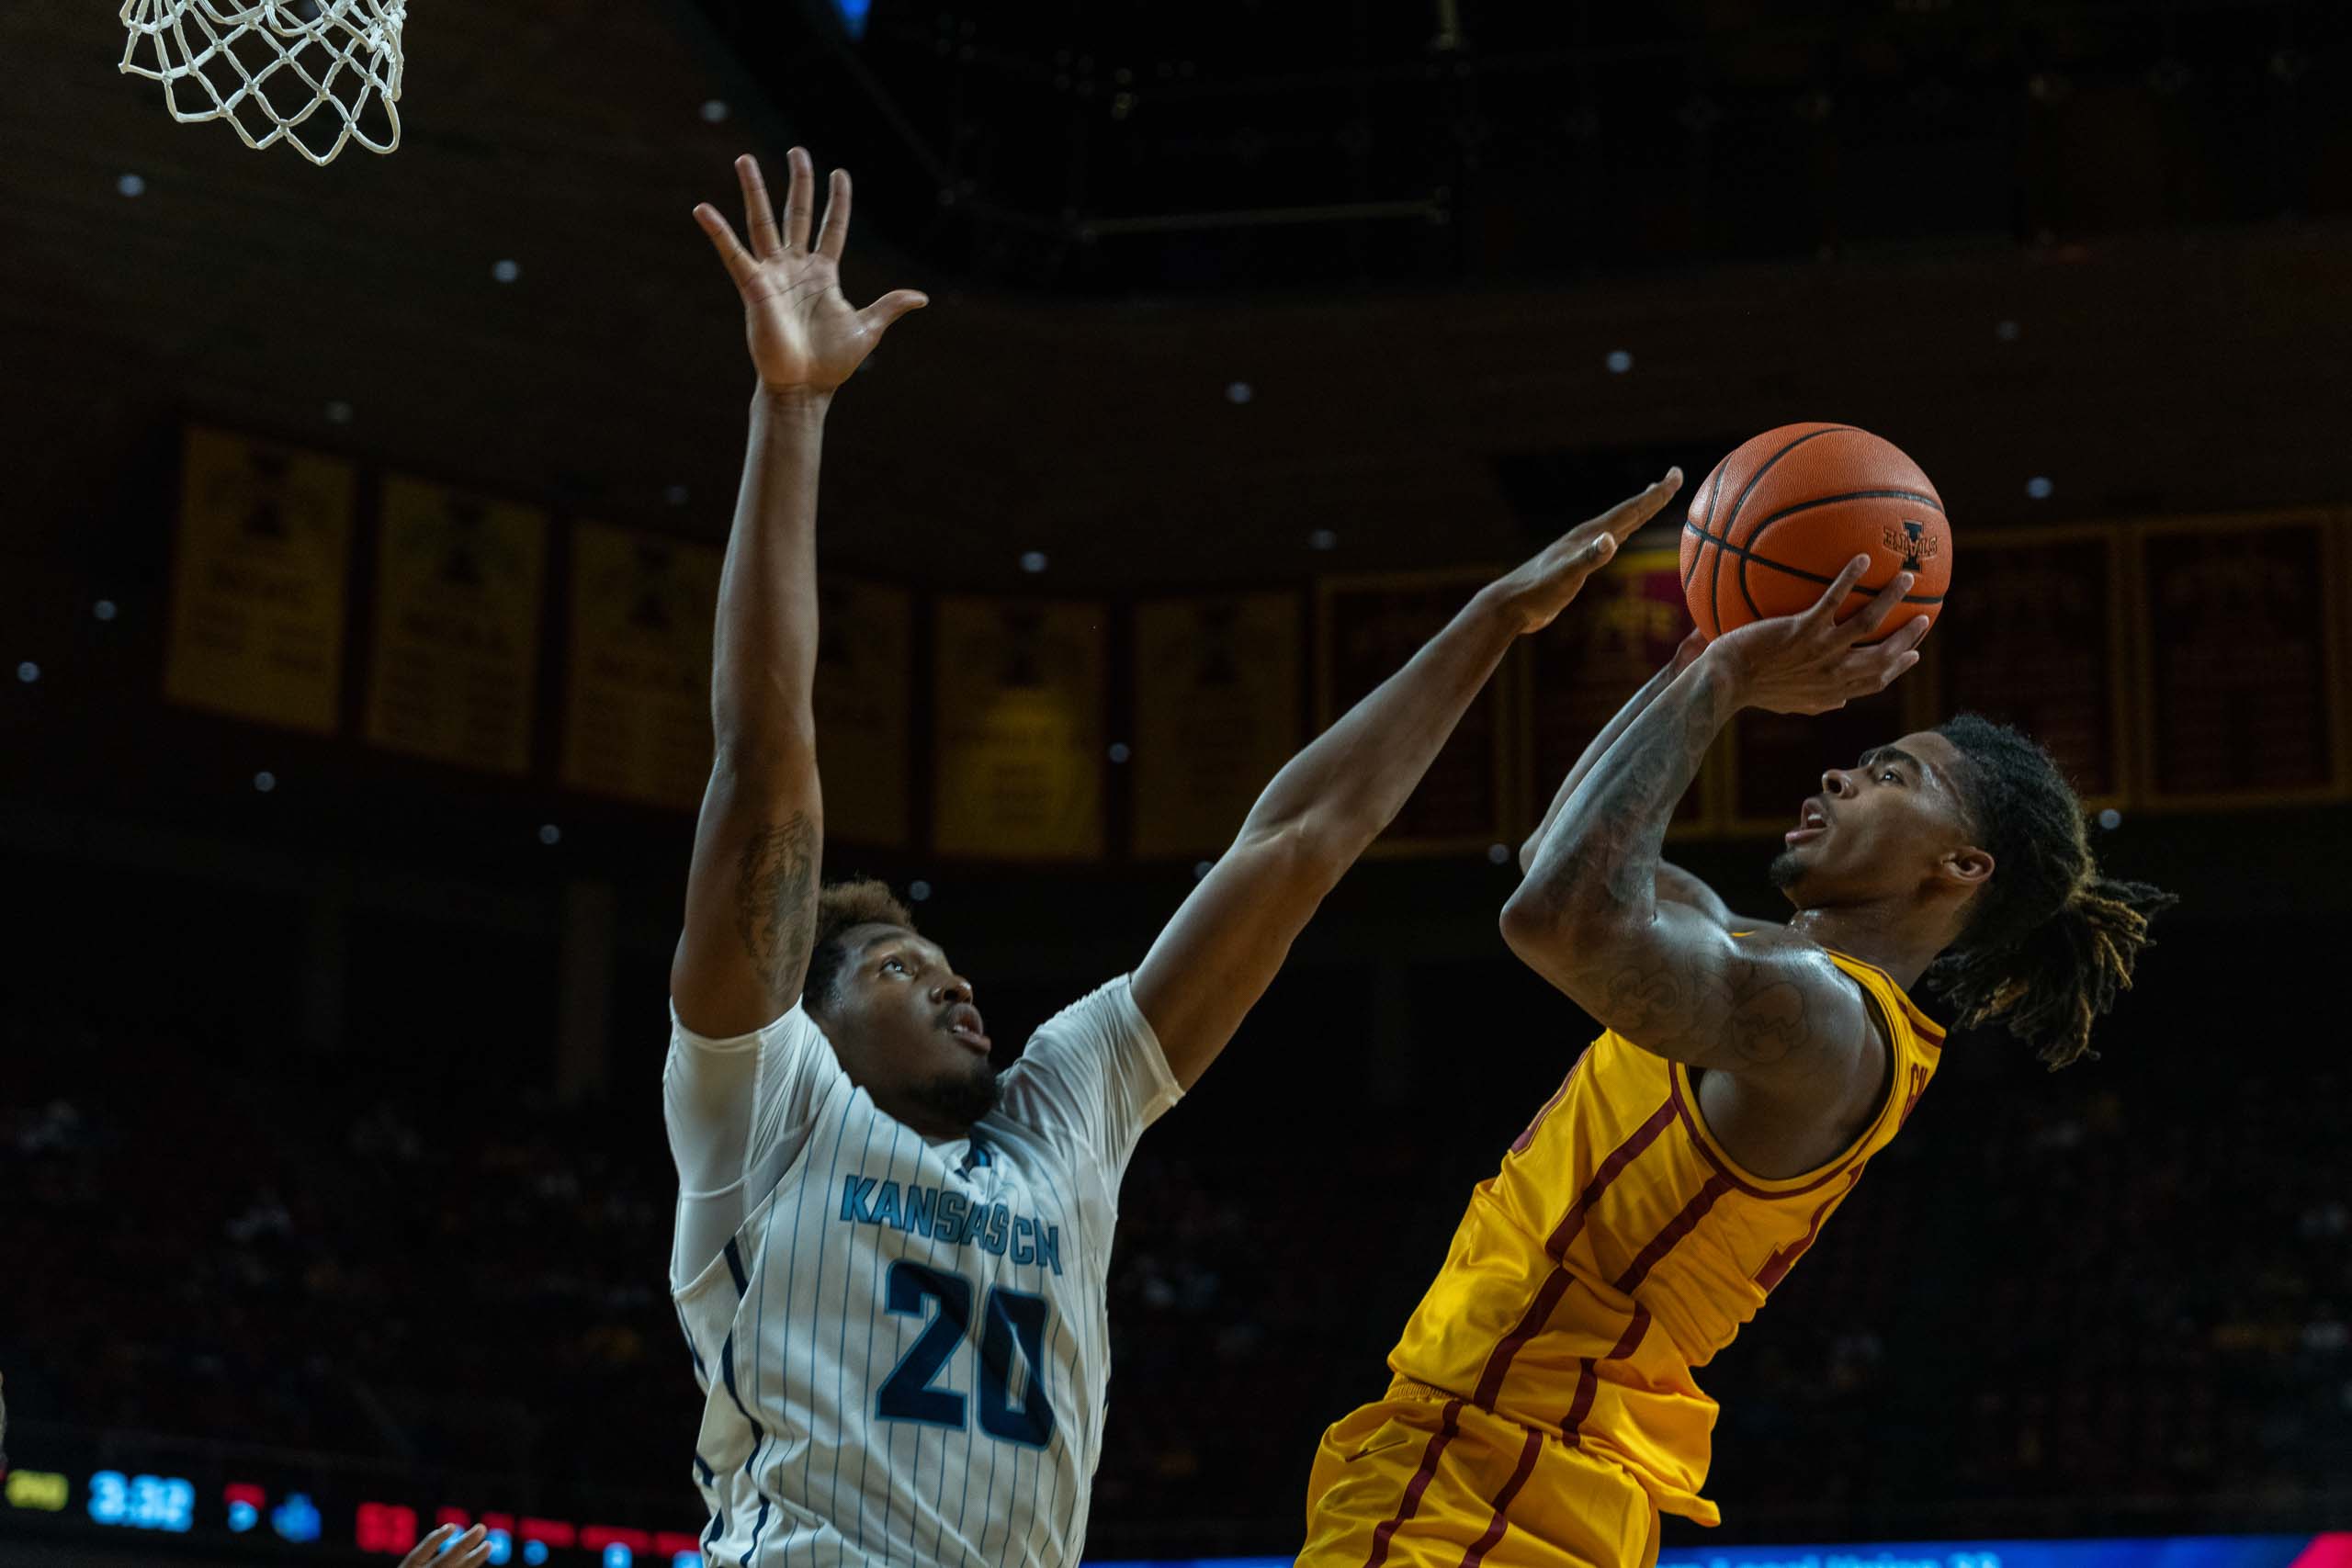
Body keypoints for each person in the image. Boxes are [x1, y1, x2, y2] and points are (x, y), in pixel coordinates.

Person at [662, 146, 1686, 1568]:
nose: (961, 991)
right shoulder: (765, 1107)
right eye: (902, 967)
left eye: (951, 964)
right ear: (813, 1021)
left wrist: (1490, 631)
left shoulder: (1056, 1112)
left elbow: (1295, 843)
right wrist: (791, 410)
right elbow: (768, 756)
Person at [1302, 557, 2176, 1567]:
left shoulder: (1820, 1019)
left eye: (1893, 775)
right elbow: (1559, 850)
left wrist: (1723, 686)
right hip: (1532, 1474)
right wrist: (1691, 664)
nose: (1839, 773)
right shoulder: (1759, 956)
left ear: (1960, 867)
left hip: (1492, 1477)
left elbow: (1551, 918)